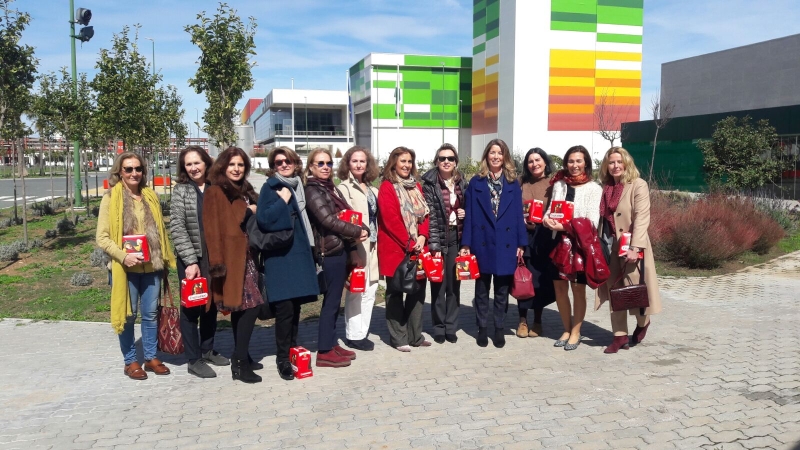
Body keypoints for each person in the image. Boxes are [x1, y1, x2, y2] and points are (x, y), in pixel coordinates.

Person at [96, 152, 176, 380]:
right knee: (128, 316)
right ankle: (130, 361)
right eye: (128, 169)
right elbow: (102, 238)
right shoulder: (111, 198)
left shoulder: (150, 196)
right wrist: (123, 256)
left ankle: (150, 357)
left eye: (138, 169)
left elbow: (160, 232)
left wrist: (164, 258)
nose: (134, 173)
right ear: (119, 172)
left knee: (150, 315)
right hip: (125, 269)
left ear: (143, 171)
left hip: (151, 268)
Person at [256, 146, 320, 380]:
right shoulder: (271, 188)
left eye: (288, 161)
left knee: (296, 308)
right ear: (273, 167)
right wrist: (282, 201)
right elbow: (264, 219)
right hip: (281, 258)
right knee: (284, 310)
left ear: (295, 163)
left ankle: (293, 349)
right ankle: (282, 358)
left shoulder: (299, 186)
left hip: (300, 254)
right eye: (278, 162)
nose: (284, 165)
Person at [203, 147, 264, 383]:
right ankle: (238, 363)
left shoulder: (244, 189)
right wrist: (247, 209)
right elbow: (215, 229)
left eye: (240, 165)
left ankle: (243, 356)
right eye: (232, 165)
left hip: (248, 256)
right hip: (231, 259)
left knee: (242, 308)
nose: (237, 169)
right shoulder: (216, 191)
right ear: (222, 167)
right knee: (252, 307)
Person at [595, 147, 662, 353]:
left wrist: (636, 247)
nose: (615, 166)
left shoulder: (637, 185)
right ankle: (619, 336)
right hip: (609, 245)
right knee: (614, 289)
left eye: (618, 162)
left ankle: (643, 322)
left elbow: (642, 217)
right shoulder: (605, 187)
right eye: (611, 162)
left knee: (635, 290)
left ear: (626, 163)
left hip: (632, 245)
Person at [461, 139, 527, 348]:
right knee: (481, 290)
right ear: (486, 156)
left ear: (505, 156)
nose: (496, 156)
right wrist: (466, 244)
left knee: (501, 291)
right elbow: (470, 215)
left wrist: (521, 243)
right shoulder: (476, 182)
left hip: (506, 243)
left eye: (500, 153)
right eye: (492, 152)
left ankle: (499, 327)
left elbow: (518, 215)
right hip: (482, 243)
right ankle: (482, 327)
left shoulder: (512, 182)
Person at [305, 148, 367, 367]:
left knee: (335, 301)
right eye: (320, 163)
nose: (325, 167)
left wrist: (363, 227)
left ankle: (331, 343)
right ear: (311, 167)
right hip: (328, 252)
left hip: (339, 248)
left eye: (328, 163)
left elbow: (349, 213)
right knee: (331, 302)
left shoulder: (330, 189)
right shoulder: (313, 190)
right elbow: (328, 220)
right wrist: (356, 232)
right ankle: (323, 351)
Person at [169, 146, 229, 378]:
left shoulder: (216, 187)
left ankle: (208, 349)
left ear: (206, 162)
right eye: (188, 164)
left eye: (197, 162)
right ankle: (193, 359)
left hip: (214, 258)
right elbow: (177, 226)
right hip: (192, 259)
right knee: (191, 307)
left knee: (211, 304)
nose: (194, 168)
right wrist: (190, 260)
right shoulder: (181, 191)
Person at [542, 145, 602, 351]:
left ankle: (576, 332)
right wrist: (547, 220)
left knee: (578, 289)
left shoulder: (594, 188)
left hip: (579, 246)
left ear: (585, 163)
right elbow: (551, 210)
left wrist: (564, 226)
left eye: (578, 161)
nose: (574, 165)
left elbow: (592, 222)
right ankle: (566, 329)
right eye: (570, 161)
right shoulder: (559, 185)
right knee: (559, 288)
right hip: (557, 243)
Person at [377, 146, 431, 352]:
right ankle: (399, 337)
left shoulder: (416, 185)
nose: (407, 165)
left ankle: (415, 335)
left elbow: (424, 214)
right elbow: (390, 220)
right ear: (394, 163)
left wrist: (423, 236)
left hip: (417, 247)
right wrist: (409, 242)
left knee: (417, 292)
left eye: (409, 161)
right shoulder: (387, 187)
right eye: (403, 161)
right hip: (396, 249)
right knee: (395, 293)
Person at [421, 143, 467, 344]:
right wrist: (435, 246)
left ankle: (451, 327)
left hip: (456, 239)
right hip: (440, 239)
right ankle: (438, 327)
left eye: (450, 158)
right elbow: (430, 217)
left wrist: (464, 214)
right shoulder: (430, 184)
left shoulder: (462, 182)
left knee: (454, 286)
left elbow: (467, 208)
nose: (446, 161)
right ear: (436, 161)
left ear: (455, 161)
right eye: (442, 158)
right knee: (438, 286)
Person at [337, 146, 381, 351]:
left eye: (362, 161)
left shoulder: (373, 189)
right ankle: (353, 335)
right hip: (356, 246)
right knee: (356, 290)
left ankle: (362, 332)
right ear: (348, 164)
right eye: (354, 161)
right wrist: (353, 244)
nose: (359, 164)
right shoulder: (343, 189)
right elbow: (343, 218)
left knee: (371, 290)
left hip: (373, 245)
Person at [517, 148, 558, 339]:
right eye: (530, 161)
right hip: (525, 235)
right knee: (522, 276)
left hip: (545, 236)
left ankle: (538, 320)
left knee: (540, 280)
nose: (534, 164)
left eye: (538, 160)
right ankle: (522, 320)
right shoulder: (521, 182)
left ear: (544, 161)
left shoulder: (554, 183)